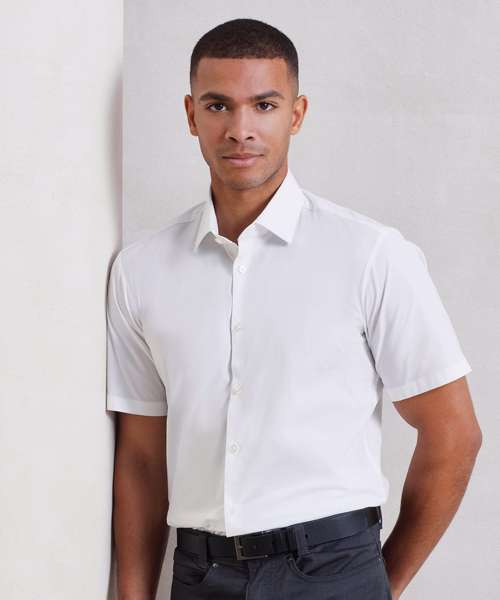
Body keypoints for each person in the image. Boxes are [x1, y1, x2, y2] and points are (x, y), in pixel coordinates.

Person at [106, 17, 482, 600]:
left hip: (334, 569)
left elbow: (453, 432)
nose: (240, 130)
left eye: (264, 105)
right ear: (191, 115)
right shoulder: (142, 270)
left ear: (297, 114)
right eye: (218, 105)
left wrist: (381, 585)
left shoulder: (370, 254)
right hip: (199, 575)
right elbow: (141, 458)